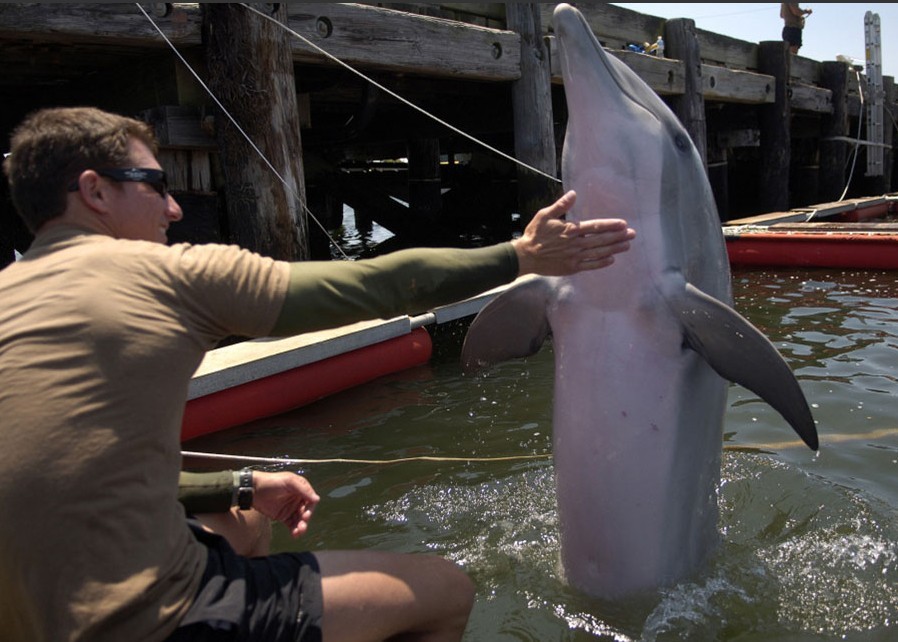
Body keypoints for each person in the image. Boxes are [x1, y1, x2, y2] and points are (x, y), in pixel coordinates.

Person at [0, 106, 635, 642]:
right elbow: (373, 285)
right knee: (445, 590)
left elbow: (72, 476)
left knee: (245, 520)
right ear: (95, 191)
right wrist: (521, 256)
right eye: (154, 183)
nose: (172, 207)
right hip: (142, 621)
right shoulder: (162, 276)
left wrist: (240, 486)